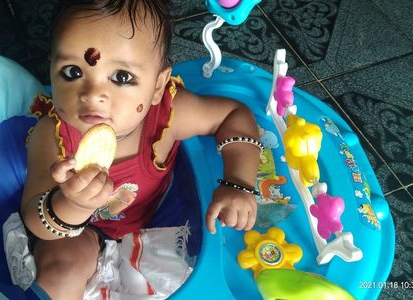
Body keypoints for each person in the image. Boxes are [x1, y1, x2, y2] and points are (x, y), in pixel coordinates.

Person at [20, 0, 262, 298]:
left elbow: (233, 115)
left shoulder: (169, 116)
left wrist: (238, 182)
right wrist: (73, 204)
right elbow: (34, 219)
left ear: (158, 85)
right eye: (72, 72)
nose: (93, 94)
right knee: (61, 271)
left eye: (121, 77)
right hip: (78, 232)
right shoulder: (54, 134)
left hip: (155, 216)